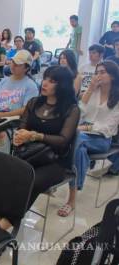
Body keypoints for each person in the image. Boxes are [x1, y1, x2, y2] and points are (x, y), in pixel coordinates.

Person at [0, 65, 79, 229]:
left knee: (30, 181)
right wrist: (19, 137)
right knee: (1, 174)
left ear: (63, 85)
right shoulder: (34, 103)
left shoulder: (71, 109)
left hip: (56, 162)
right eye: (45, 78)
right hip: (29, 154)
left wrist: (36, 136)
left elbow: (63, 140)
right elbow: (22, 127)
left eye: (52, 81)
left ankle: (3, 226)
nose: (45, 83)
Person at [58, 61, 119, 217]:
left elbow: (109, 127)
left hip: (102, 140)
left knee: (75, 139)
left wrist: (85, 128)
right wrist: (90, 90)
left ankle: (63, 179)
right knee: (79, 149)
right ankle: (72, 196)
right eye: (96, 72)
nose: (97, 75)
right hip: (83, 136)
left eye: (102, 72)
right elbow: (79, 113)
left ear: (112, 75)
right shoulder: (93, 91)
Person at [0, 50, 39, 151]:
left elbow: (26, 110)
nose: (13, 65)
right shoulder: (4, 81)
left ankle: (3, 162)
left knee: (2, 135)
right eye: (13, 62)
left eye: (18, 64)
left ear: (26, 68)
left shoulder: (30, 85)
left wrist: (2, 115)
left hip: (17, 122)